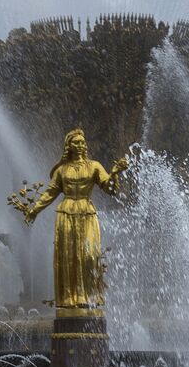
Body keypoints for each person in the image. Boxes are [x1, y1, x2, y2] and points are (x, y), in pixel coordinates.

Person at [23, 128, 128, 311]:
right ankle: (71, 298)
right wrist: (34, 210)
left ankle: (90, 295)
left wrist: (115, 172)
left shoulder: (94, 166)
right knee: (69, 256)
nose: (80, 145)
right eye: (75, 143)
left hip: (87, 213)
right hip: (66, 213)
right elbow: (50, 193)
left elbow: (110, 189)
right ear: (68, 146)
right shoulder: (62, 170)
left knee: (89, 255)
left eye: (82, 142)